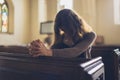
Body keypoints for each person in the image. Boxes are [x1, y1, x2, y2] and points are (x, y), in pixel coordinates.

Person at [29, 9, 96, 59]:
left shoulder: (90, 35)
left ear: (74, 24)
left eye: (66, 28)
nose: (64, 31)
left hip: (82, 69)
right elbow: (52, 50)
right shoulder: (62, 37)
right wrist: (38, 47)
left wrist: (47, 52)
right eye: (61, 28)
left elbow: (75, 51)